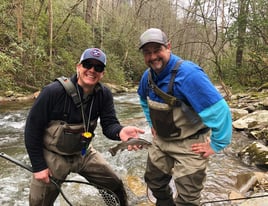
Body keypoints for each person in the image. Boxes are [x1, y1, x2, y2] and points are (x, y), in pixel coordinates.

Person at [24, 47, 145, 206]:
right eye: (87, 64)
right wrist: (39, 166)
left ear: (102, 73)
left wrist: (121, 131)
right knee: (39, 203)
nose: (92, 70)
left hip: (83, 152)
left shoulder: (104, 94)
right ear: (78, 66)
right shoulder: (53, 92)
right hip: (52, 154)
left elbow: (109, 125)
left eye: (98, 67)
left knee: (114, 184)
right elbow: (32, 129)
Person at [137, 28, 232, 206]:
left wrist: (216, 145)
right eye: (147, 53)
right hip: (162, 141)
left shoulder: (189, 75)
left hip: (191, 144)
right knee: (154, 181)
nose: (153, 57)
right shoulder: (147, 77)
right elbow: (144, 100)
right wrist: (152, 123)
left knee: (188, 198)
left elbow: (221, 111)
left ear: (168, 47)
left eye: (157, 50)